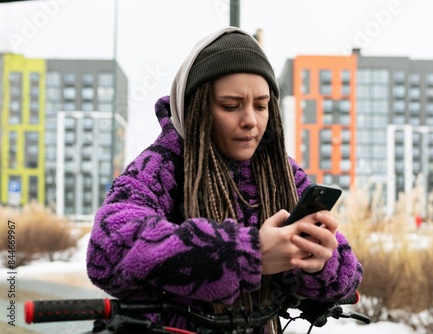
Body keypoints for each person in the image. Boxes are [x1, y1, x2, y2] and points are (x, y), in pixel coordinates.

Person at [86, 26, 363, 333]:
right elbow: (109, 246)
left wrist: (322, 261)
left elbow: (348, 273)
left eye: (261, 105)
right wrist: (249, 253)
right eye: (231, 106)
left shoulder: (282, 172)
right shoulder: (159, 165)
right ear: (197, 108)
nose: (250, 120)